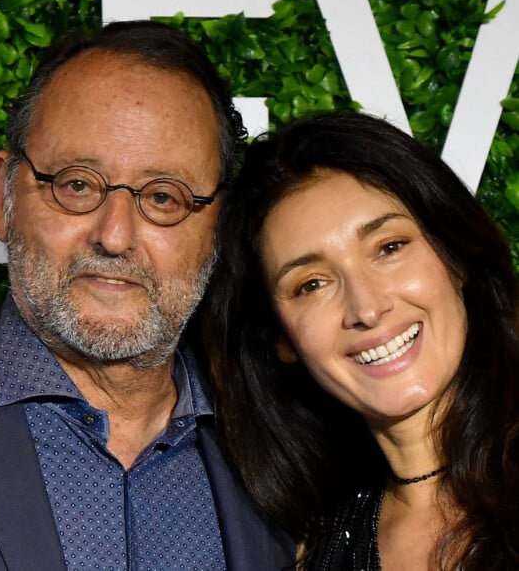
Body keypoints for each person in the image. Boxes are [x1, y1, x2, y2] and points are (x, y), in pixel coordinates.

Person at [0, 21, 295, 570]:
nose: (115, 236)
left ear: (218, 230)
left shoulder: (289, 446)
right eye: (77, 184)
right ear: (3, 195)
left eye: (163, 197)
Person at [204, 110, 519, 570]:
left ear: (455, 257)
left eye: (389, 248)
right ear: (281, 339)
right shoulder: (307, 551)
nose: (367, 309)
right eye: (311, 284)